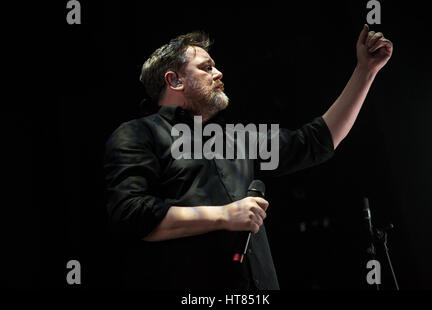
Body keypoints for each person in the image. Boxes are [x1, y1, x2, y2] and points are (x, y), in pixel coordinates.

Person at [104, 25, 393, 289]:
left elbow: (316, 141)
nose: (219, 74)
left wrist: (366, 71)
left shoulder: (235, 140)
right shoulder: (138, 134)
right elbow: (131, 215)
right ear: (175, 80)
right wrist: (224, 214)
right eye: (206, 67)